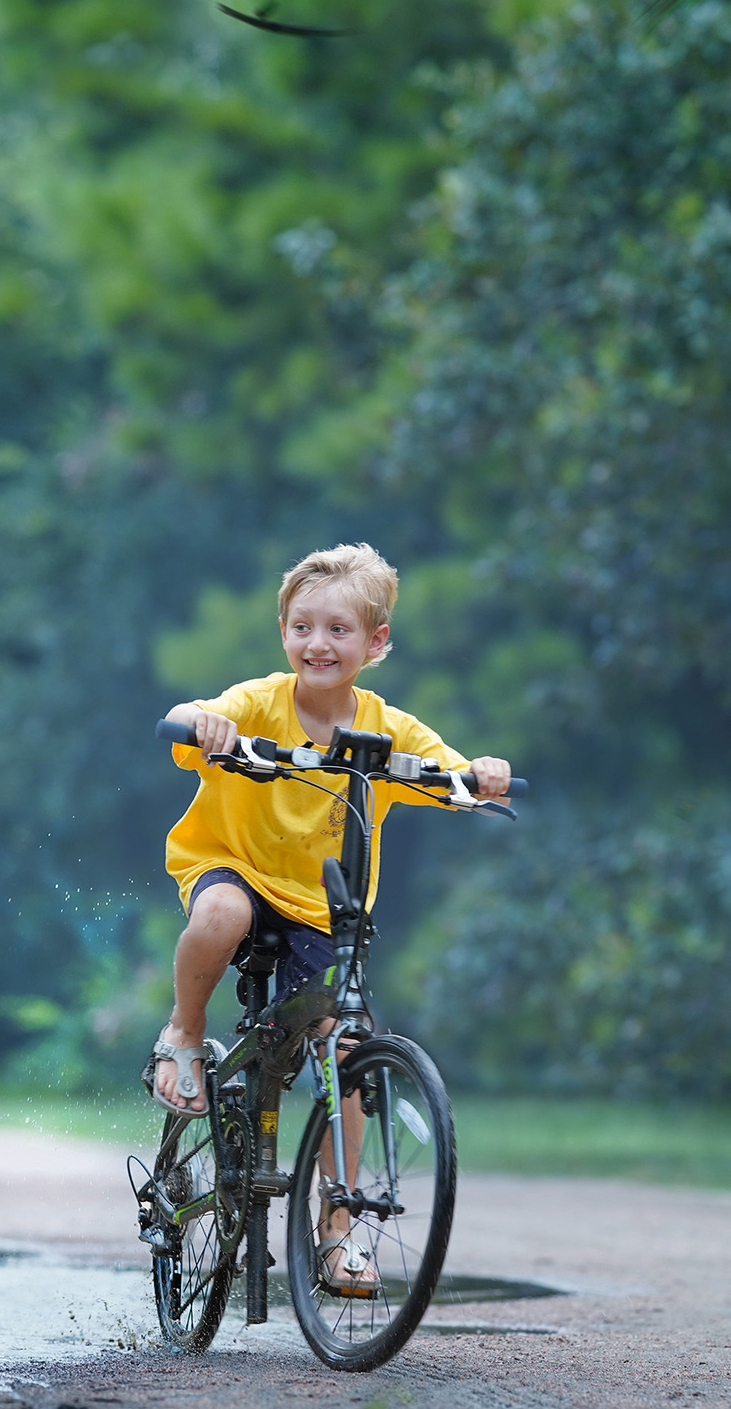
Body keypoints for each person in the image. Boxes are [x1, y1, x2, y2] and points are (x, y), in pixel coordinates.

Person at [149, 542, 509, 1294]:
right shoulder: (256, 702)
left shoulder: (387, 729)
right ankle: (183, 1031)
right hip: (235, 866)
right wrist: (205, 727)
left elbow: (455, 772)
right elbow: (188, 716)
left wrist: (483, 776)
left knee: (343, 1047)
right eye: (303, 627)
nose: (319, 643)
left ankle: (338, 1223)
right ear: (284, 631)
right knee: (219, 912)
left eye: (339, 630)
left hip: (323, 904)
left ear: (375, 643)